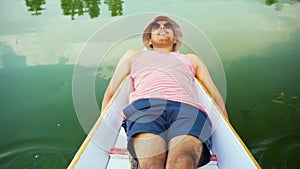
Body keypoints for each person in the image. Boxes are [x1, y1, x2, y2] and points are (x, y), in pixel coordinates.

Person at [101, 16, 228, 169]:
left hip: (187, 110)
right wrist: (103, 130)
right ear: (149, 40)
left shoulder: (190, 59)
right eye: (156, 26)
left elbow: (214, 93)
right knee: (152, 163)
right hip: (146, 107)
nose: (162, 28)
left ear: (174, 39)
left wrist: (227, 129)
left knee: (183, 161)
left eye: (167, 26)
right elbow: (110, 92)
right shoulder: (134, 55)